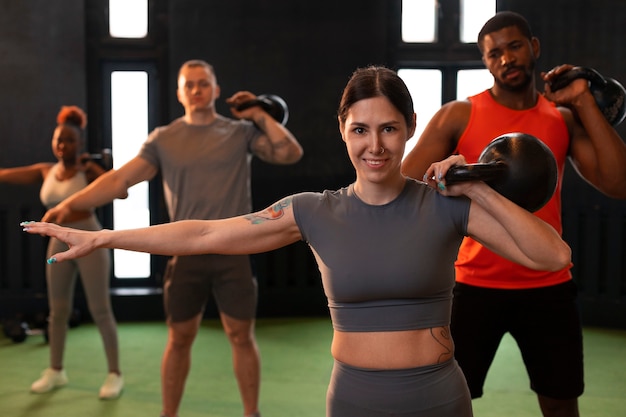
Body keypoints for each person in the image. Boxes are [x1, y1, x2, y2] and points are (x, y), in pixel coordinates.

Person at [23, 66, 572, 417]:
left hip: (436, 398)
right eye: (360, 129)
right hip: (353, 399)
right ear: (343, 131)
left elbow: (553, 255)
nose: (375, 145)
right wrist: (103, 239)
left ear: (408, 129)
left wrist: (478, 187)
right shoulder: (312, 210)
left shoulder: (447, 205)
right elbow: (207, 232)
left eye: (388, 128)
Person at [40, 59, 303, 417]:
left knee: (241, 336)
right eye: (189, 85)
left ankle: (251, 412)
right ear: (179, 92)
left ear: (216, 89)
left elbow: (290, 152)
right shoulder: (163, 138)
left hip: (235, 249)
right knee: (179, 339)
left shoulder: (240, 132)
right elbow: (119, 181)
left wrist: (257, 112)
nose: (196, 90)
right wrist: (68, 205)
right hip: (185, 251)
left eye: (204, 83)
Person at [401, 11, 626, 417]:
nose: (506, 58)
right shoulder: (459, 115)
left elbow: (619, 183)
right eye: (494, 54)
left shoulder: (560, 118)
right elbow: (401, 185)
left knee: (560, 403)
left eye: (514, 46)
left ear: (534, 47)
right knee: (448, 403)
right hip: (474, 284)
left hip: (547, 283)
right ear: (485, 62)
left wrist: (582, 101)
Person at [0, 105, 123, 399]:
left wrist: (93, 169)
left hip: (90, 238)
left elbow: (120, 188)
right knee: (58, 310)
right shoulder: (47, 170)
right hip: (59, 240)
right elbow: (7, 174)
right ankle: (56, 370)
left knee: (100, 308)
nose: (61, 145)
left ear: (79, 143)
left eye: (68, 140)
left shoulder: (88, 169)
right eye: (58, 139)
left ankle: (114, 374)